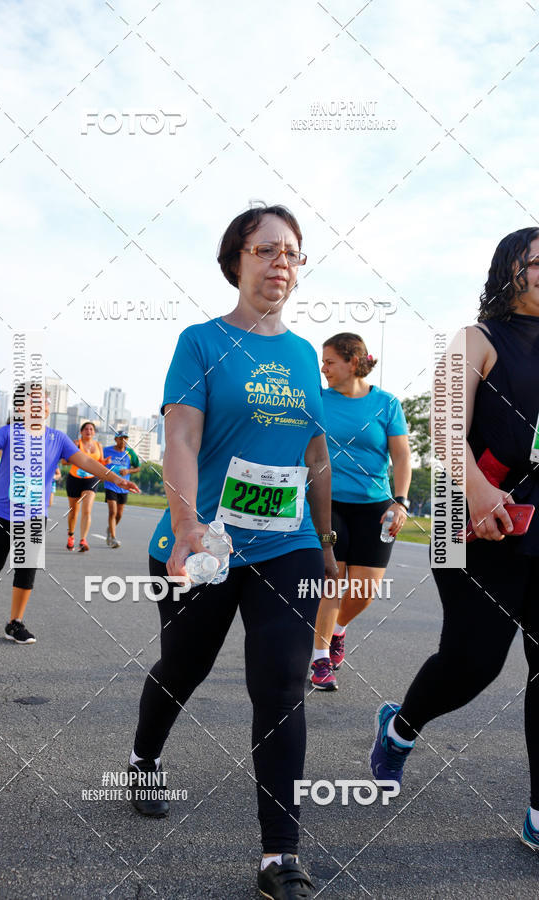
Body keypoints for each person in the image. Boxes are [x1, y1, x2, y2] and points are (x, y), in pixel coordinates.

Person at [126, 204, 336, 900]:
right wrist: (188, 526)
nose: (281, 262)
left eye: (292, 253)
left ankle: (280, 855)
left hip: (288, 543)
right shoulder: (201, 341)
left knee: (280, 684)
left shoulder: (304, 355)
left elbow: (314, 452)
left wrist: (326, 540)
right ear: (236, 260)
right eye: (265, 249)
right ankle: (144, 759)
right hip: (204, 544)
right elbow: (181, 437)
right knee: (183, 667)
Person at [369, 227, 539, 853]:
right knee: (474, 662)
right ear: (510, 269)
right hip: (462, 510)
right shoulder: (477, 339)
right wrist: (479, 492)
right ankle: (400, 727)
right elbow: (444, 427)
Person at [0, 385, 138, 643]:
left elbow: (87, 462)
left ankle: (15, 623)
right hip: (3, 512)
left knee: (27, 567)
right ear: (21, 408)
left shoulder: (58, 438)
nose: (41, 403)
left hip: (35, 514)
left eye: (44, 400)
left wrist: (116, 479)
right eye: (33, 399)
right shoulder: (9, 432)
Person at [310, 333, 411, 690]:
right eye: (322, 362)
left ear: (353, 362)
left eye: (330, 361)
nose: (323, 368)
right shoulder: (318, 400)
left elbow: (401, 456)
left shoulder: (386, 403)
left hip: (375, 507)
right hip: (327, 504)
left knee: (366, 590)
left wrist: (401, 501)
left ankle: (338, 630)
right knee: (332, 581)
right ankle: (320, 659)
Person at [65, 422, 108, 551]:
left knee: (87, 510)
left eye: (91, 429)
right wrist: (70, 459)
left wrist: (105, 463)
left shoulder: (98, 445)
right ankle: (71, 535)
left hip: (91, 480)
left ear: (94, 432)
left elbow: (100, 462)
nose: (88, 431)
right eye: (86, 429)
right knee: (74, 512)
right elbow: (65, 461)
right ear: (81, 432)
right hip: (74, 479)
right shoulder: (76, 443)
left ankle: (83, 540)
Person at [102, 430, 141, 548]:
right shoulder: (106, 450)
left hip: (124, 486)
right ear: (116, 439)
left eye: (126, 438)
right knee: (112, 512)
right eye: (121, 438)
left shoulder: (130, 452)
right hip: (110, 484)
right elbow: (98, 461)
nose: (123, 441)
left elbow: (138, 468)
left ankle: (110, 529)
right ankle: (113, 538)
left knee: (119, 514)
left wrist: (128, 471)